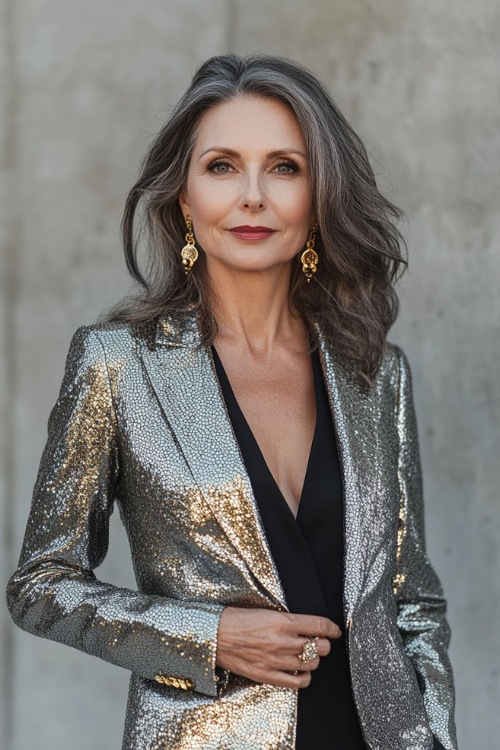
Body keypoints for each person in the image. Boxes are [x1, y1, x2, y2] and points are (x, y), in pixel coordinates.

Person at [6, 54, 457, 750]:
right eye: (222, 166)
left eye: (285, 167)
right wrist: (206, 636)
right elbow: (40, 584)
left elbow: (412, 600)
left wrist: (435, 735)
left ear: (318, 196)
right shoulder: (117, 365)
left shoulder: (375, 373)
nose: (253, 195)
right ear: (185, 199)